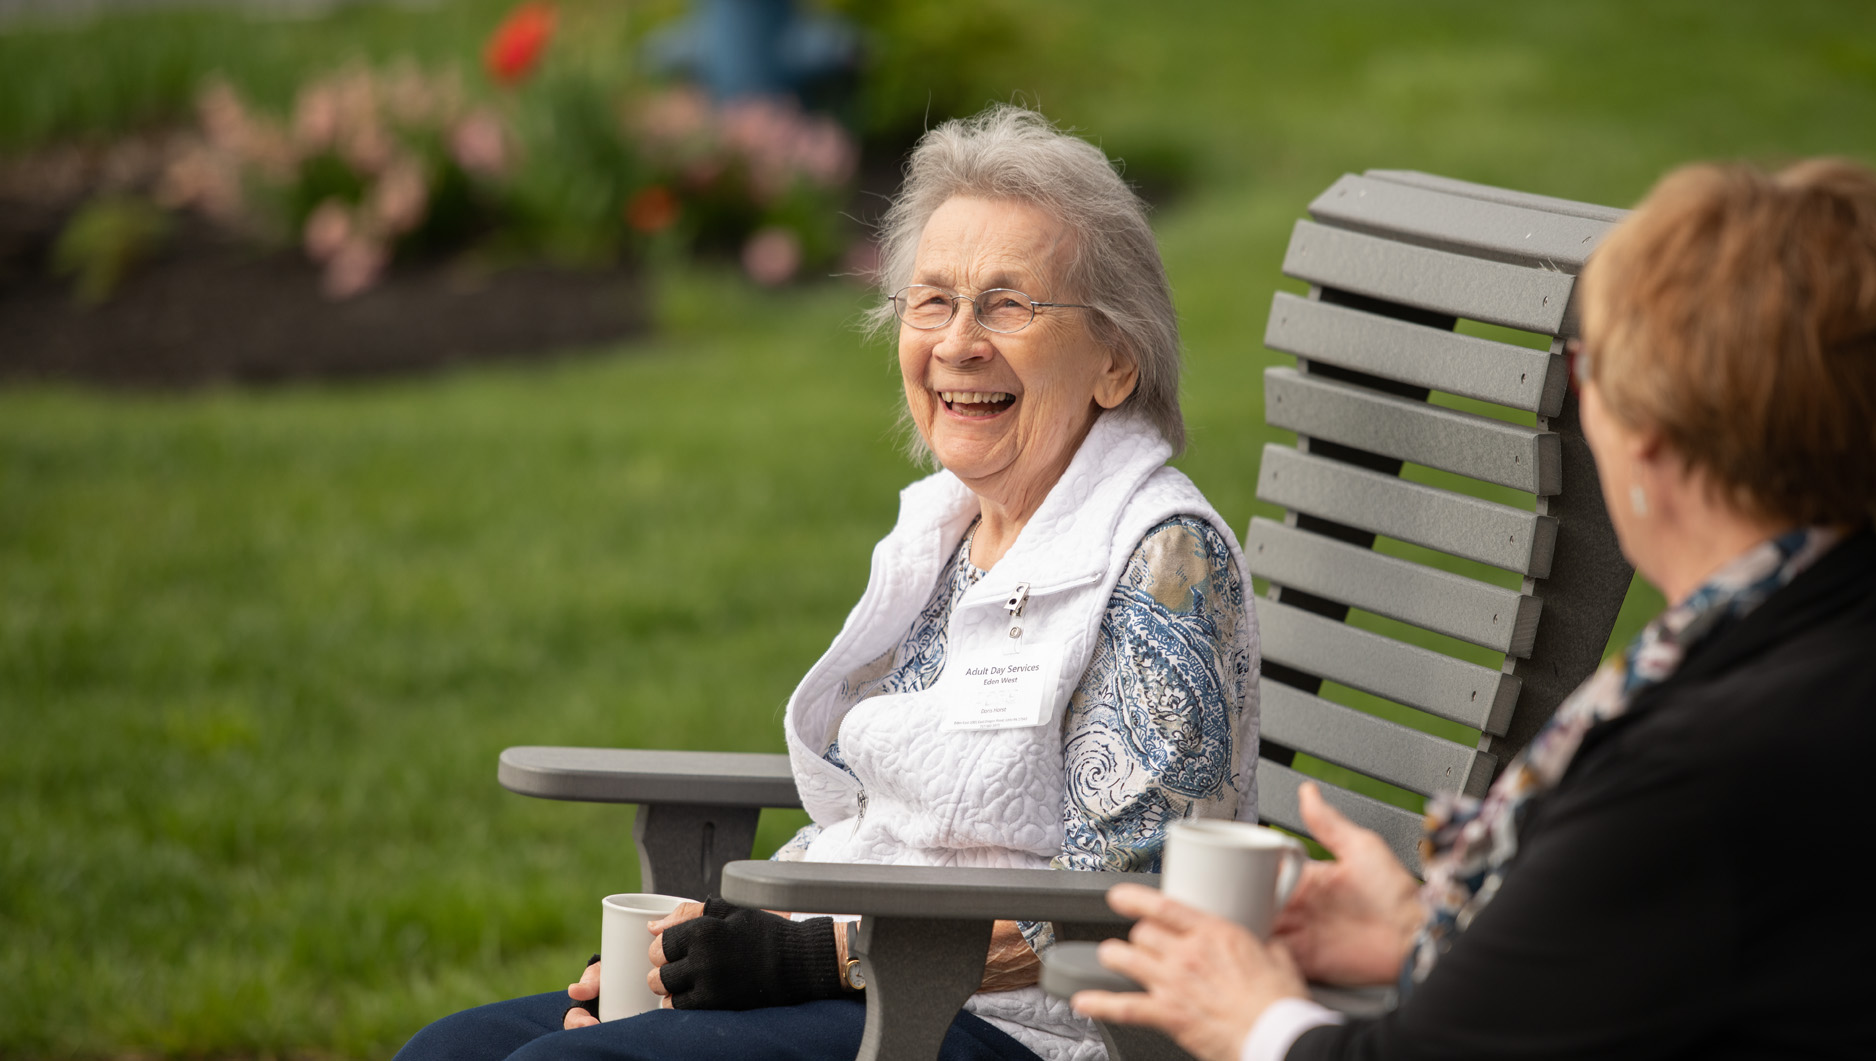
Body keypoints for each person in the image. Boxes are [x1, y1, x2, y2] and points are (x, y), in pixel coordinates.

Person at [1074, 158, 1876, 1060]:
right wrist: (1430, 935)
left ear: (1656, 435)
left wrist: (1253, 1016)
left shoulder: (1705, 766)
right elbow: (1680, 964)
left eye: (1590, 368)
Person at [393, 105, 1260, 1061]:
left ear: (1115, 360)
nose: (958, 343)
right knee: (449, 1051)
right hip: (860, 979)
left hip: (1011, 1032)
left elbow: (1147, 907)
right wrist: (704, 950)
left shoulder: (1164, 562)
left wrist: (811, 959)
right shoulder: (950, 531)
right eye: (931, 301)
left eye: (1008, 304)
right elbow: (889, 818)